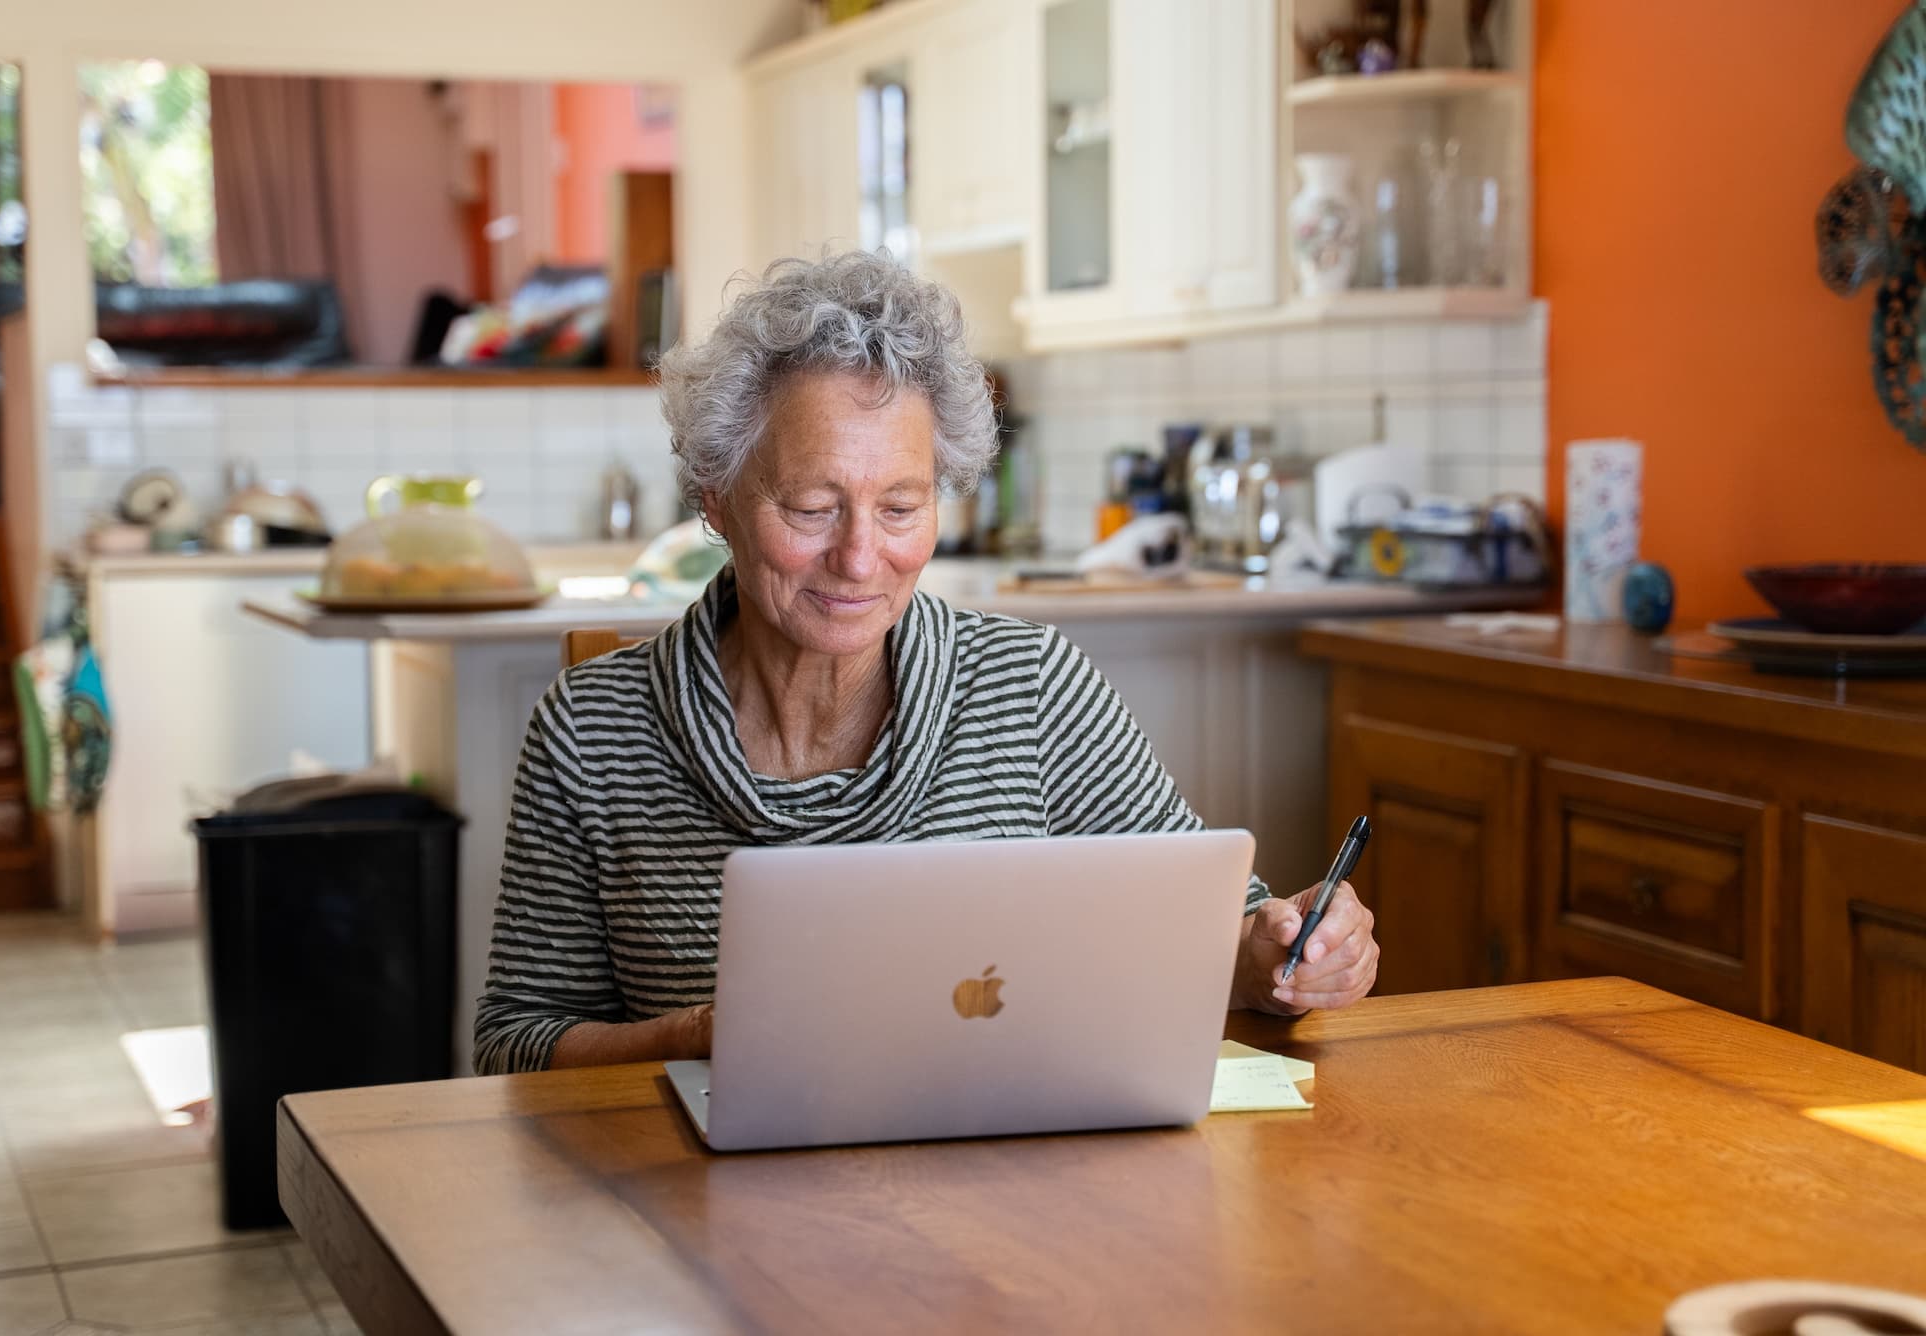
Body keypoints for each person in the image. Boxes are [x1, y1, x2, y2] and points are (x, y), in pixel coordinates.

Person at [474, 252, 1379, 1075]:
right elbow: (516, 1047)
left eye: (901, 508)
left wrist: (1283, 956)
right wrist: (698, 1037)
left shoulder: (1028, 687)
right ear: (717, 497)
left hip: (1008, 1198)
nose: (861, 560)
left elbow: (1214, 935)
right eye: (811, 507)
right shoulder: (594, 731)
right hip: (709, 1216)